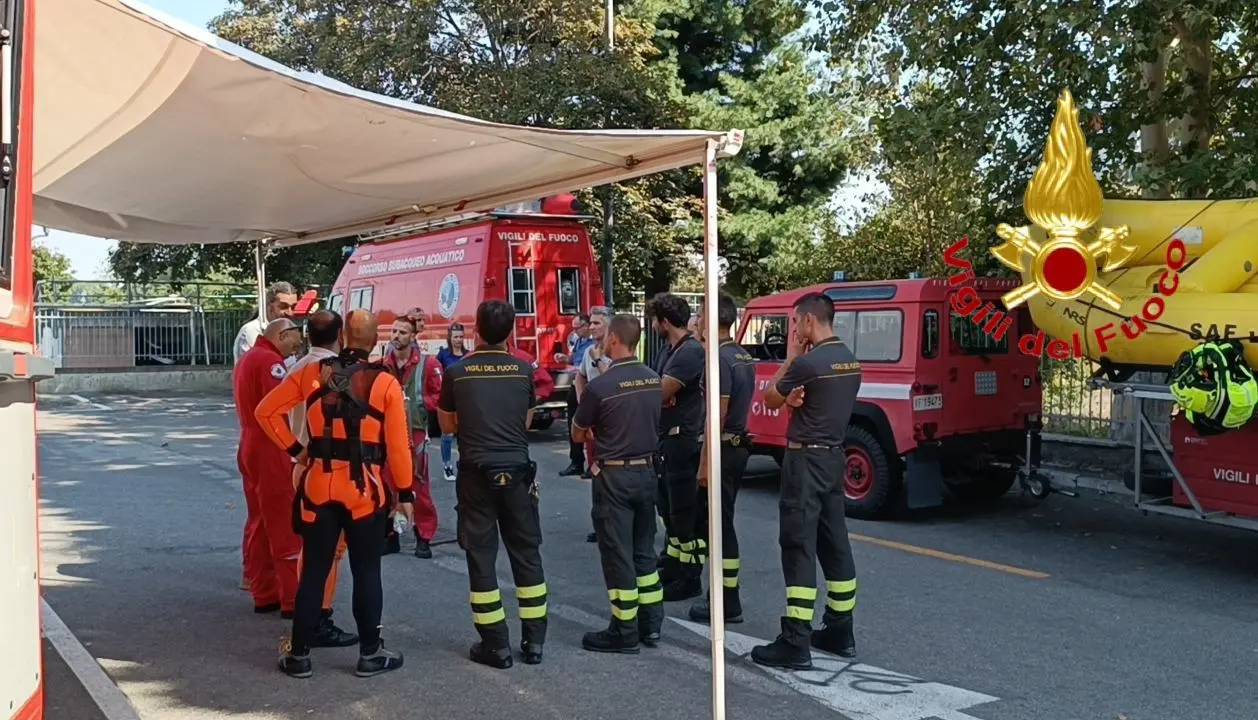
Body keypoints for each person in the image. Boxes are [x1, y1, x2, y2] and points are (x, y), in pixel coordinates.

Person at [254, 309, 412, 679]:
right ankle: (370, 653)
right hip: (364, 491)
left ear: (343, 338)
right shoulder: (385, 382)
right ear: (374, 343)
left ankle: (299, 655)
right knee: (367, 571)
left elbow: (266, 413)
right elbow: (399, 447)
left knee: (314, 571)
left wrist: (296, 450)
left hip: (318, 486)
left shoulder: (312, 373)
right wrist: (405, 492)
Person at [750, 292, 862, 670]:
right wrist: (799, 399)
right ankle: (840, 630)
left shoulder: (808, 364)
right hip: (833, 457)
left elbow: (769, 396)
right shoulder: (849, 360)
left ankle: (795, 640)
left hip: (804, 460)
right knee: (835, 543)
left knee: (798, 544)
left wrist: (791, 358)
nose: (795, 329)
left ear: (810, 321)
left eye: (796, 322)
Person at [439, 299, 548, 669]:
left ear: (476, 330)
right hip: (517, 472)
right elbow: (528, 421)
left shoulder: (458, 372)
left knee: (481, 557)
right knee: (527, 555)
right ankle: (534, 642)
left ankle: (496, 646)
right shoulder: (522, 371)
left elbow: (447, 425)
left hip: (475, 474)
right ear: (511, 331)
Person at [571, 314, 666, 653]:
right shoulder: (654, 379)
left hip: (614, 475)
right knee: (644, 552)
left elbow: (578, 430)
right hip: (647, 472)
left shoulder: (602, 386)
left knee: (617, 553)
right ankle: (651, 625)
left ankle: (623, 630)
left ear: (613, 339)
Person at [285, 310, 357, 648]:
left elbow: (271, 412)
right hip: (330, 467)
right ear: (340, 334)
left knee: (311, 548)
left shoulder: (295, 368)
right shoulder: (335, 372)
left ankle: (308, 612)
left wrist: (293, 448)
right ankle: (319, 615)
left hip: (302, 464)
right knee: (331, 551)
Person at [688, 292, 755, 624]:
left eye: (700, 315)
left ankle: (726, 600)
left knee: (718, 526)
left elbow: (718, 414)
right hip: (737, 446)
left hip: (723, 448)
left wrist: (704, 463)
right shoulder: (739, 355)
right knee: (722, 522)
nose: (696, 320)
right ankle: (725, 596)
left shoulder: (718, 360)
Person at [233, 317, 305, 617]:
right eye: (295, 339)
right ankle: (291, 599)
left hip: (250, 443)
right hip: (270, 448)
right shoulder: (270, 363)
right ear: (282, 335)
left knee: (260, 522)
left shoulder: (248, 359)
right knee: (284, 524)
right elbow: (279, 408)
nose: (297, 346)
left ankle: (264, 592)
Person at [645, 292, 706, 601]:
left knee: (684, 513)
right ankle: (673, 565)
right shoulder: (669, 349)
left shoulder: (690, 352)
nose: (652, 325)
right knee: (668, 509)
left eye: (654, 320)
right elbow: (658, 389)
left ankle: (690, 576)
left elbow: (659, 391)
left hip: (683, 440)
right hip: (666, 438)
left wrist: (661, 392)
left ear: (664, 322)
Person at [380, 309, 442, 559]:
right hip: (387, 432)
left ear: (413, 336)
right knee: (387, 485)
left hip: (415, 432)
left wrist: (416, 403)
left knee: (419, 486)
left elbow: (441, 396)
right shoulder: (383, 366)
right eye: (394, 331)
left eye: (402, 332)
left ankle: (423, 536)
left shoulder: (429, 364)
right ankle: (391, 534)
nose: (396, 336)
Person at [576, 307, 613, 543]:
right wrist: (583, 402)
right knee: (596, 473)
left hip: (612, 421)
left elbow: (612, 380)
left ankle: (614, 523)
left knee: (612, 474)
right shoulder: (589, 351)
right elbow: (579, 376)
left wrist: (598, 359)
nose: (591, 327)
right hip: (594, 423)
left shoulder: (614, 352)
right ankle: (599, 523)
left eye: (597, 323)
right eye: (590, 323)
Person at [559, 314, 594, 478]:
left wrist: (577, 369)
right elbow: (573, 359)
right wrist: (564, 359)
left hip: (588, 385)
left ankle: (592, 463)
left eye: (577, 327)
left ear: (586, 326)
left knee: (589, 426)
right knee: (573, 422)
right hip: (575, 384)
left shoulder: (594, 343)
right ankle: (576, 461)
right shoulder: (578, 340)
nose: (574, 331)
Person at [233, 281, 299, 365]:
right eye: (283, 306)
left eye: (293, 307)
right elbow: (259, 367)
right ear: (269, 306)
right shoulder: (251, 331)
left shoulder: (290, 331)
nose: (290, 312)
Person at [436, 322, 468, 481]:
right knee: (447, 433)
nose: (458, 340)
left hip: (465, 398)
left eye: (461, 337)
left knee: (465, 433)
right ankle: (447, 466)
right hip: (449, 398)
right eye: (455, 337)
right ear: (450, 337)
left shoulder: (468, 355)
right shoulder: (443, 356)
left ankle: (465, 464)